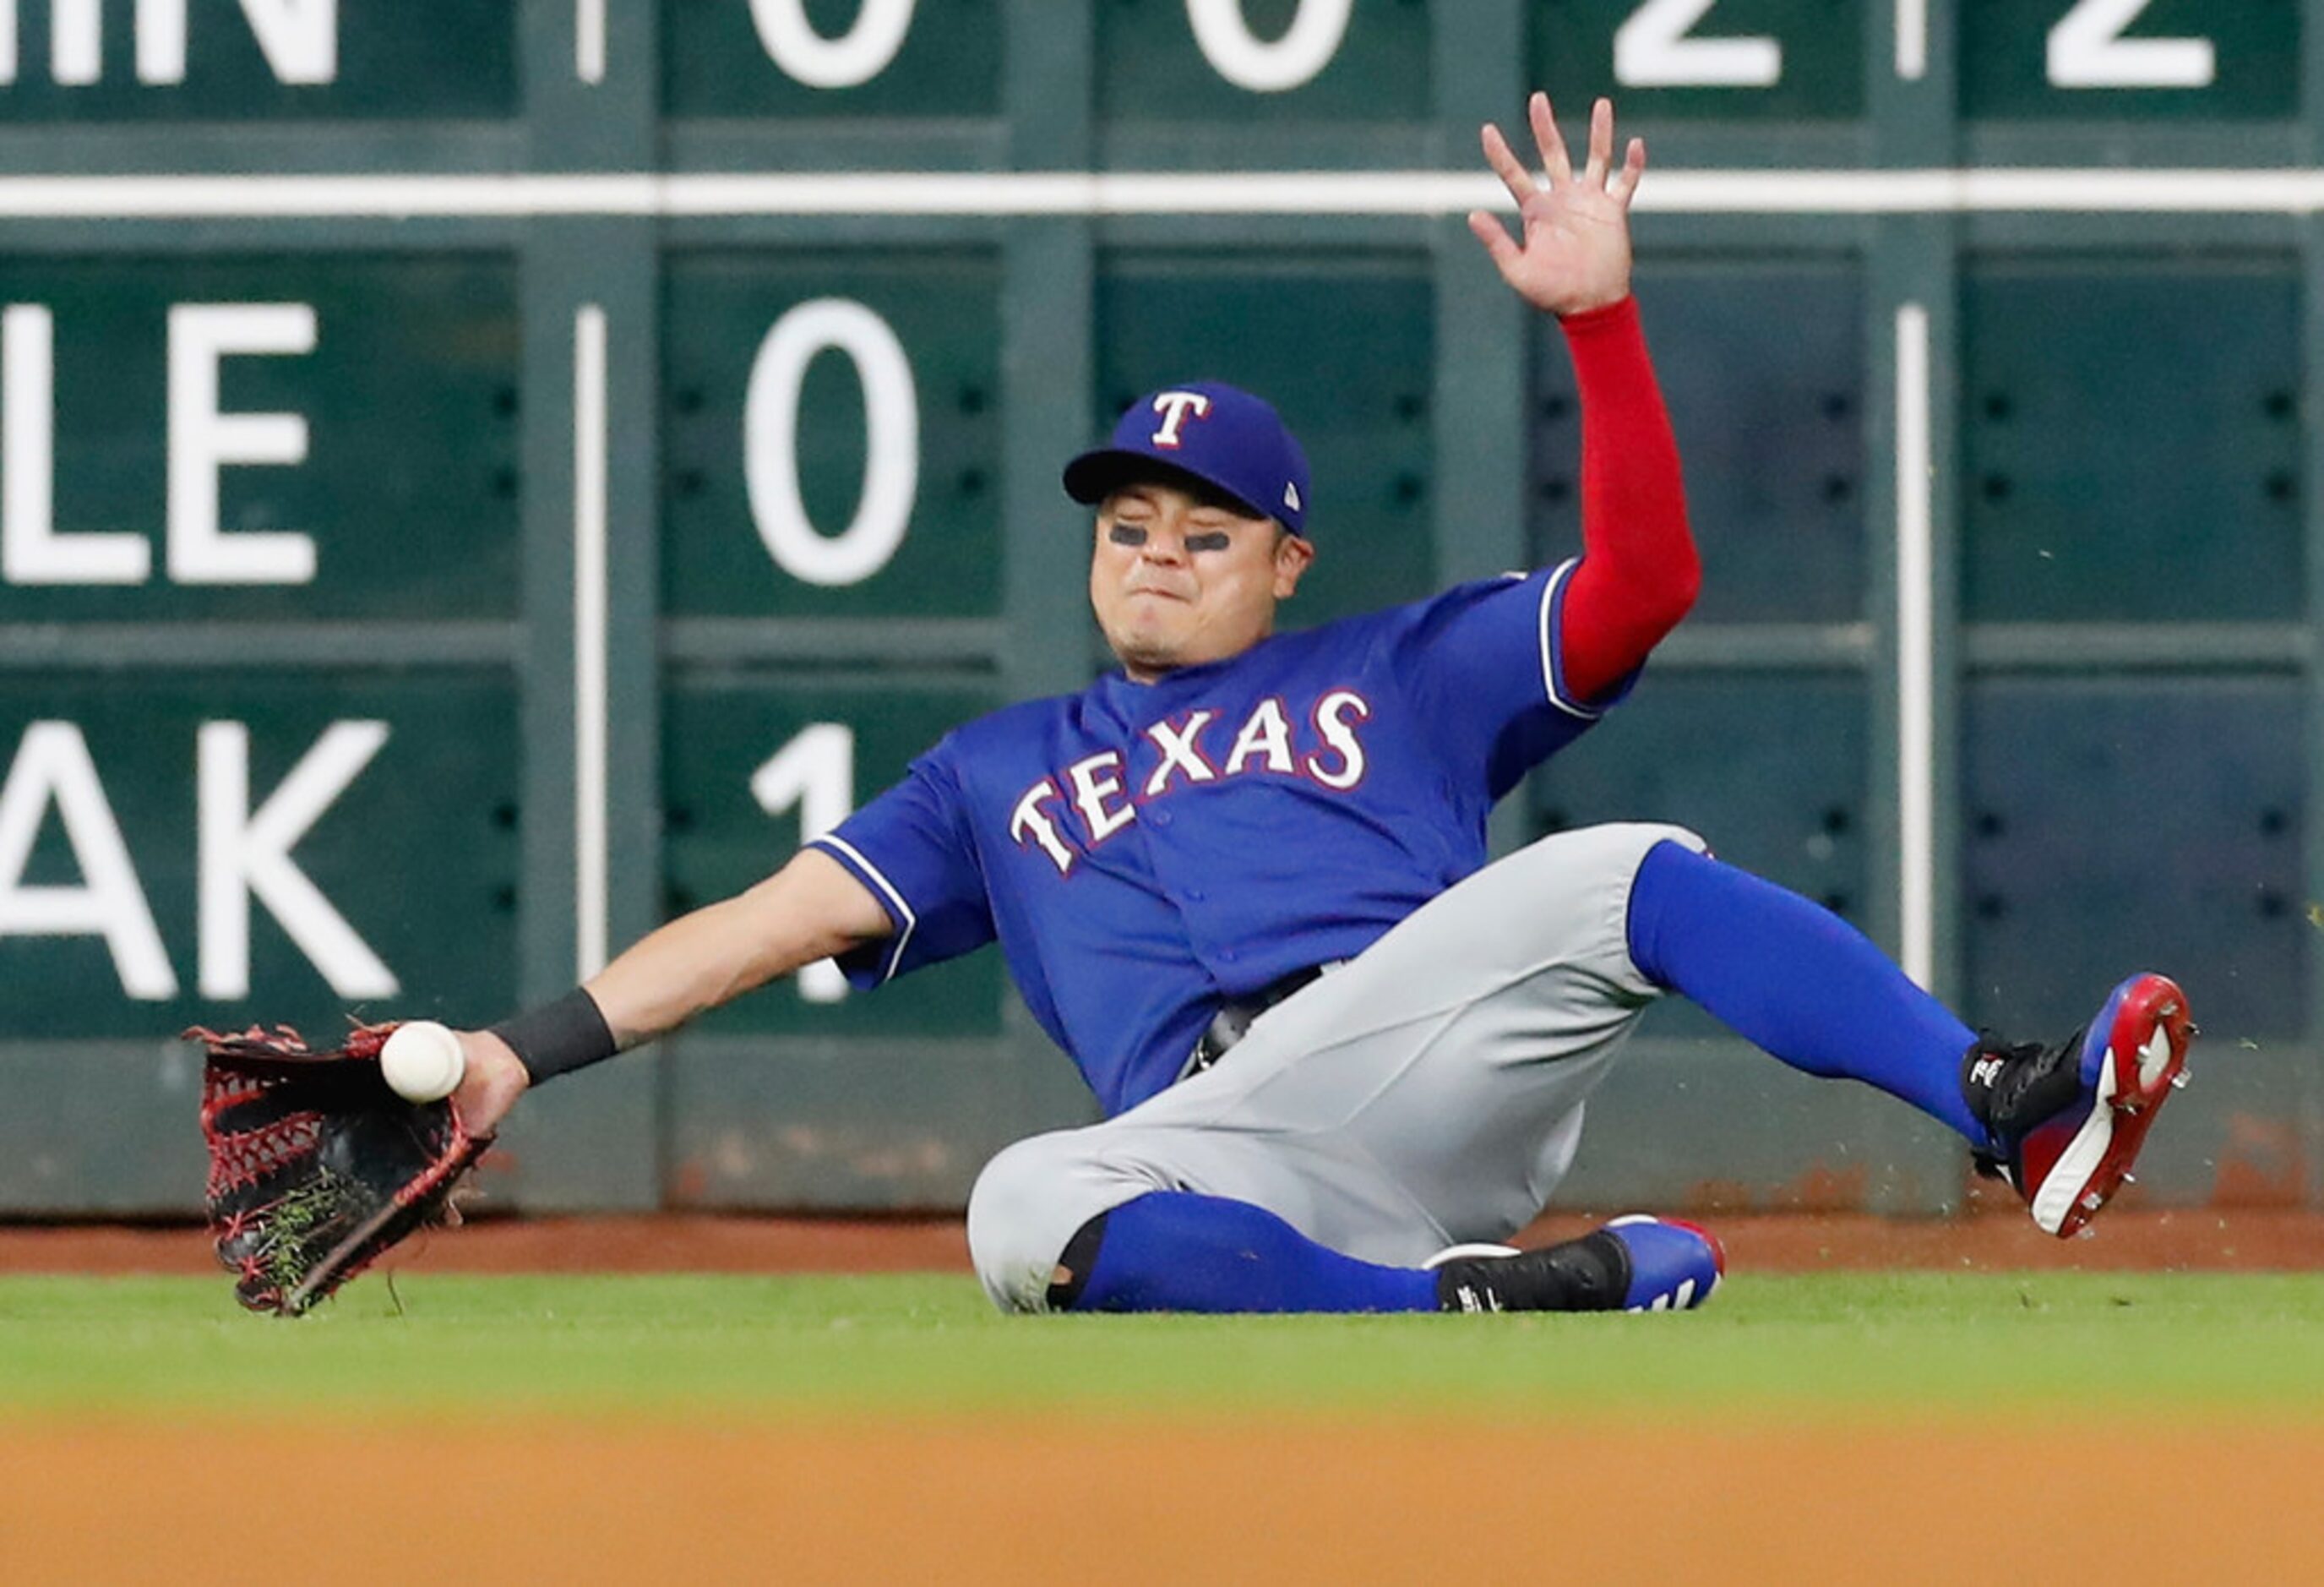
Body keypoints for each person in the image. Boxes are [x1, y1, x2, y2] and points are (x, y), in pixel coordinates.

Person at [448, 94, 2195, 1316]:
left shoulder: (1400, 671)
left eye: (1199, 533)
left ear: (1285, 559)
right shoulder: (989, 777)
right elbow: (757, 927)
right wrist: (509, 1054)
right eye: (1124, 528)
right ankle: (1459, 1304)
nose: (1150, 555)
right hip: (1215, 1156)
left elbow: (1642, 589)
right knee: (1017, 1206)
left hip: (1420, 1040)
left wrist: (1597, 330)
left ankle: (2003, 1103)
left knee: (1619, 869)